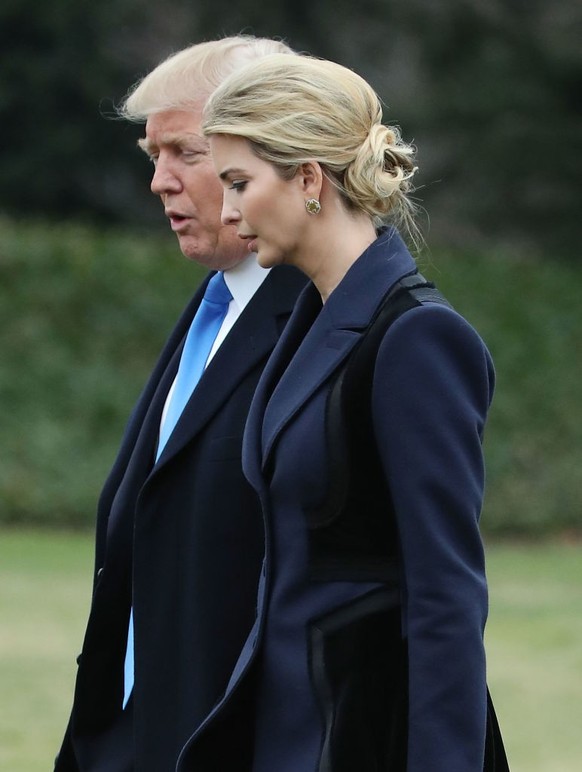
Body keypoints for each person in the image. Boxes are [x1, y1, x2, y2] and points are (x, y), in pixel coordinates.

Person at [194, 54, 509, 771]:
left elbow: (446, 593)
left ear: (309, 179)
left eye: (240, 183)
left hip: (371, 739)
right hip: (284, 729)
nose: (229, 212)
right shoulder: (304, 325)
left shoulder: (418, 338)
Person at [54, 37, 306, 772]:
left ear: (269, 155)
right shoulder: (216, 302)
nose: (160, 182)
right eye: (151, 156)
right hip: (135, 730)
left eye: (185, 154)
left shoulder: (339, 321)